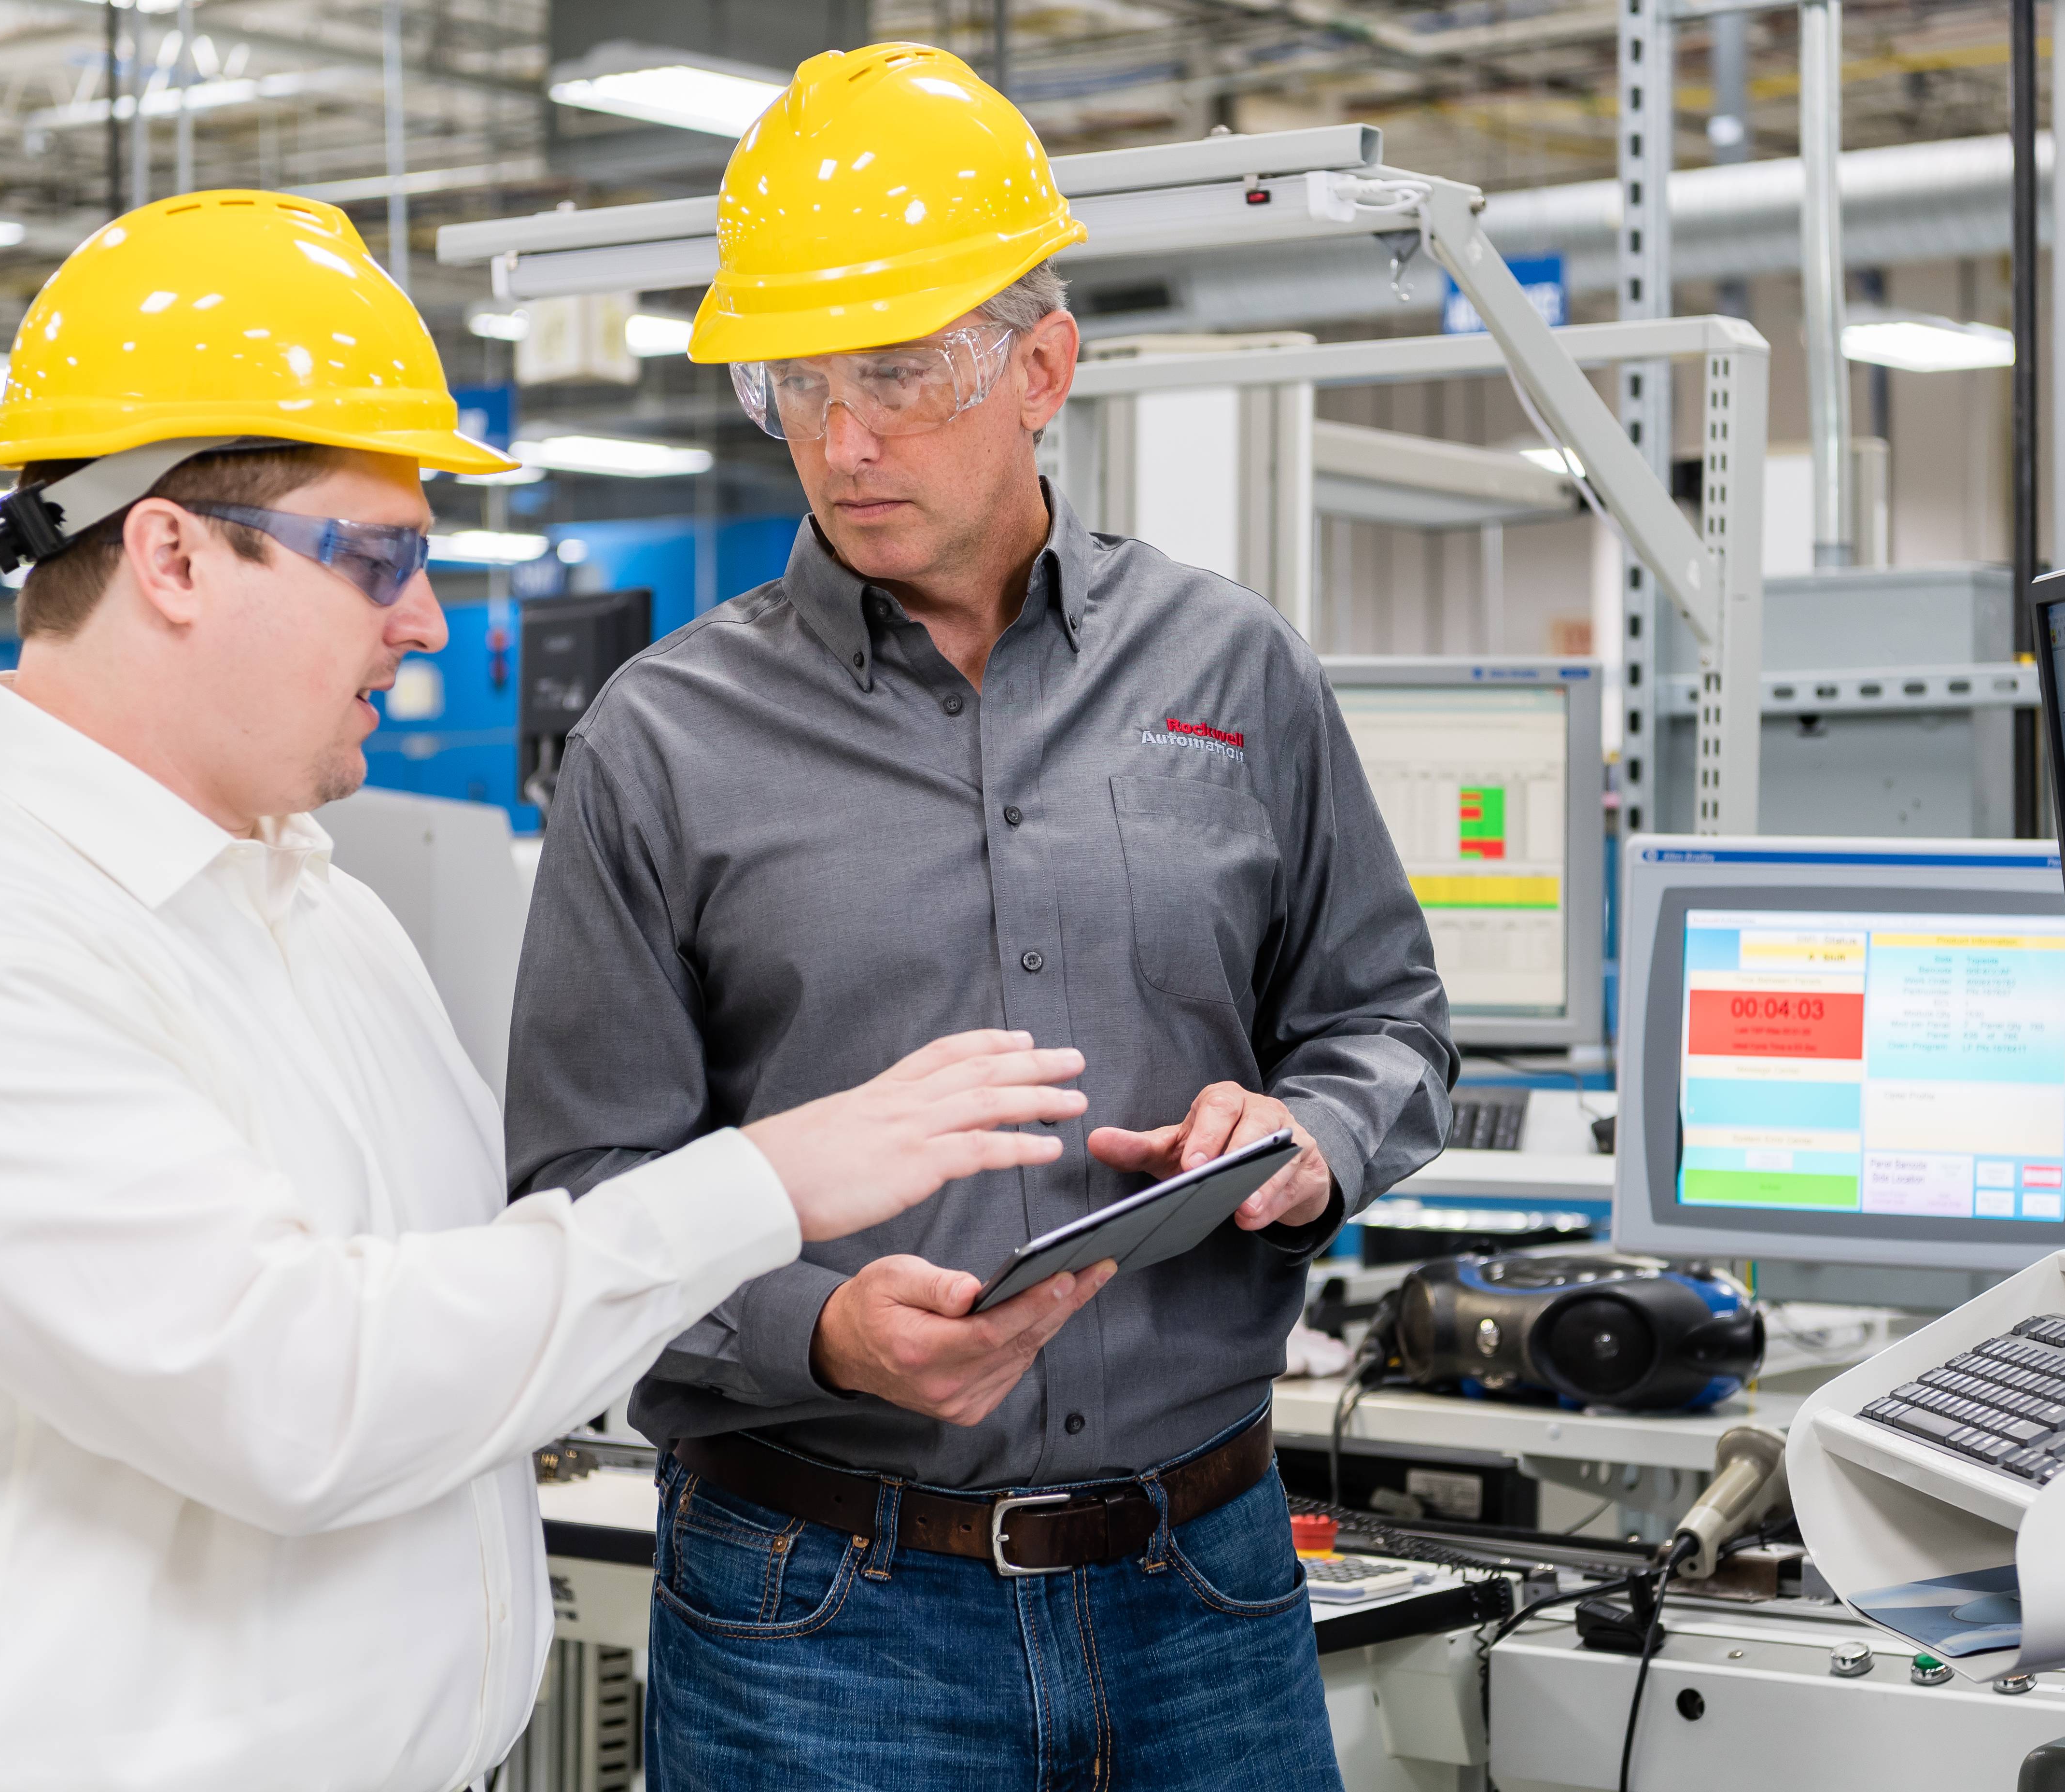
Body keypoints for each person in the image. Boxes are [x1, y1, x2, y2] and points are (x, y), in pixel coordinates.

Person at [0, 192, 1092, 1792]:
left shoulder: (317, 910)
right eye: (375, 557)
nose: (429, 620)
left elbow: (497, 1307)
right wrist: (765, 1184)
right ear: (170, 556)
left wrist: (811, 1303)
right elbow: (305, 1404)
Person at [506, 43, 1456, 1790]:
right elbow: (579, 1201)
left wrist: (1308, 1140)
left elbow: (1385, 1025)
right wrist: (813, 1330)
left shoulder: (1230, 671)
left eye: (899, 374)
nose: (841, 441)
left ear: (1044, 367)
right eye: (794, 386)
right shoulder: (660, 742)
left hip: (1208, 1592)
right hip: (820, 1615)